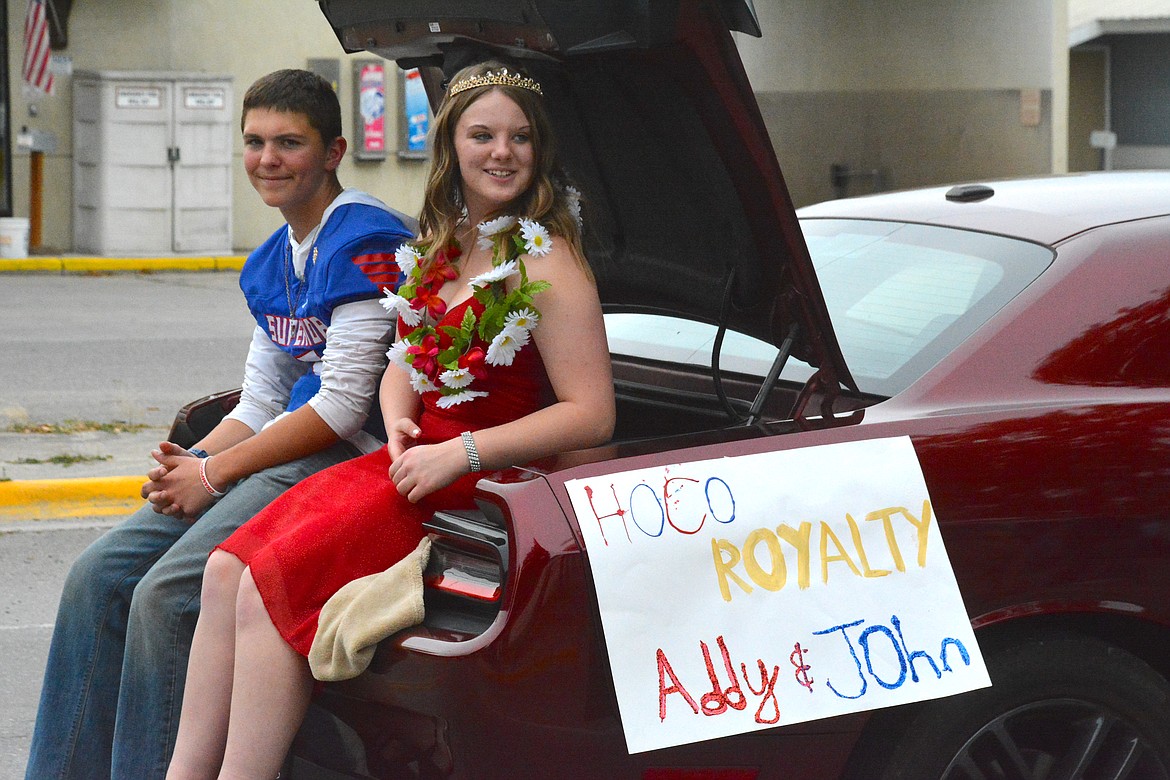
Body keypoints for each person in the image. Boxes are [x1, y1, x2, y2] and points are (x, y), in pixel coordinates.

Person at [164, 60, 616, 778]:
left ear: (541, 152)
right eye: (483, 135)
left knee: (270, 583)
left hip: (474, 479)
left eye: (520, 138)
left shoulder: (550, 262)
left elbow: (591, 415)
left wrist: (461, 452)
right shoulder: (448, 241)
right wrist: (398, 412)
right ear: (452, 147)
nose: (502, 152)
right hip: (408, 462)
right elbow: (405, 354)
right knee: (224, 568)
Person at [26, 69, 415, 780]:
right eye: (255, 142)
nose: (268, 159)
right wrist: (188, 462)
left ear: (333, 151)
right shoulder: (270, 259)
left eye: (289, 143)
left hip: (337, 458)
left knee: (166, 596)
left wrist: (213, 473)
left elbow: (339, 409)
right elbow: (263, 398)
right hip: (272, 450)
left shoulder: (370, 241)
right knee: (96, 574)